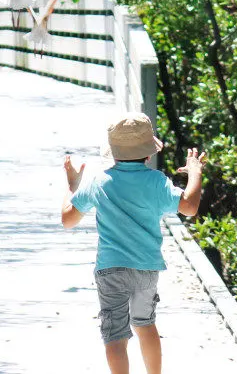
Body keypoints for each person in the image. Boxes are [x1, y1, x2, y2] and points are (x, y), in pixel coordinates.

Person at [61, 112, 206, 374]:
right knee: (145, 324)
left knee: (115, 334)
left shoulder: (97, 181)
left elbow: (67, 220)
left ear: (113, 152)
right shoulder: (156, 181)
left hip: (110, 269)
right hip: (146, 268)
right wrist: (195, 173)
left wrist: (73, 186)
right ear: (149, 153)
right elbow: (190, 207)